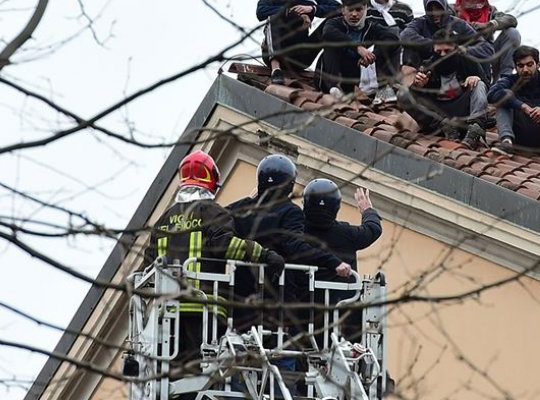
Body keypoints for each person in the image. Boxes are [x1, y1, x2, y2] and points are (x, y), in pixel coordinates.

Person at [143, 150, 285, 383]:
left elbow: (149, 264)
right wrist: (265, 255)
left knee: (176, 375)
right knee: (206, 372)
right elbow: (225, 245)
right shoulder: (211, 212)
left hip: (167, 312)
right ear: (210, 181)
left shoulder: (164, 220)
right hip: (205, 308)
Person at [227, 154, 352, 356]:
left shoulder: (239, 209)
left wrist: (247, 201)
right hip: (277, 298)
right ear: (288, 184)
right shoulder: (290, 212)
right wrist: (333, 262)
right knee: (282, 359)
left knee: (241, 356)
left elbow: (217, 227)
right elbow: (295, 246)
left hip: (240, 297)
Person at [303, 180, 383, 342]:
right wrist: (367, 210)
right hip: (342, 327)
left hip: (301, 319)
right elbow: (373, 229)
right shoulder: (346, 234)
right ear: (336, 208)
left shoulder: (294, 233)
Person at [398, 29, 488, 149]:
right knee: (403, 94)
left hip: (463, 113)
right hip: (439, 117)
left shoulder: (468, 61)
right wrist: (418, 85)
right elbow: (417, 99)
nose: (443, 55)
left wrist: (475, 78)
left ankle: (475, 130)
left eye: (447, 51)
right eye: (439, 52)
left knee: (480, 84)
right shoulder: (428, 65)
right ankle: (446, 127)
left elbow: (487, 86)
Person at [256, 0, 340, 85]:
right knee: (273, 16)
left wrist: (313, 9)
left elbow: (339, 8)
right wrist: (290, 12)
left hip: (300, 55)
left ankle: (329, 74)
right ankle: (276, 70)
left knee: (333, 22)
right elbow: (260, 12)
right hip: (275, 51)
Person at [399, 0, 494, 84]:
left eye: (438, 8)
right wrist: (434, 46)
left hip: (457, 69)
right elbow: (405, 36)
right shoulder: (420, 22)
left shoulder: (458, 24)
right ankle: (409, 89)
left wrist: (460, 50)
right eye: (431, 9)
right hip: (429, 71)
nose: (435, 13)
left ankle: (484, 86)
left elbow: (486, 49)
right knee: (409, 49)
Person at [317, 0, 399, 97]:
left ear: (366, 9)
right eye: (350, 10)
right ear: (343, 10)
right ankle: (334, 87)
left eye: (358, 10)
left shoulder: (371, 26)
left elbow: (393, 39)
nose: (354, 14)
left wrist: (373, 55)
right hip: (330, 76)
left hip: (355, 74)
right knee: (332, 43)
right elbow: (328, 33)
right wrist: (358, 48)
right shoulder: (334, 23)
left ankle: (383, 87)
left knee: (387, 43)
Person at [452, 0, 522, 83]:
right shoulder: (453, 10)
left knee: (513, 33)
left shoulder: (490, 11)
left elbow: (511, 20)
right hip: (461, 54)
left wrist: (489, 25)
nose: (477, 1)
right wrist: (466, 27)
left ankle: (505, 79)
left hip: (487, 53)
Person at [365, 0, 414, 101]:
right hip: (366, 58)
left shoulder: (404, 11)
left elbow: (411, 36)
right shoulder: (362, 8)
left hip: (396, 58)